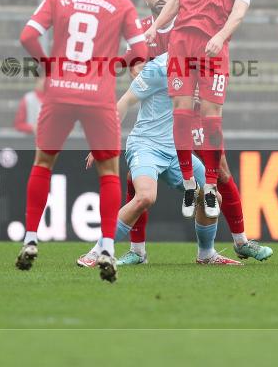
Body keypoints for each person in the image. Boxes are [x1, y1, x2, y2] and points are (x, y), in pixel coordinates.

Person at [16, 0, 148, 283]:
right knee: (109, 172)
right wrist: (115, 65)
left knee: (43, 163)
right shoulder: (121, 3)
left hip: (59, 92)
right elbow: (141, 49)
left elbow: (28, 36)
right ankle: (106, 246)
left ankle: (30, 239)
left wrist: (49, 66)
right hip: (97, 95)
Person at [77, 53, 250, 268]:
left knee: (212, 197)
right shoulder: (158, 68)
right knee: (146, 197)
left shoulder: (205, 67)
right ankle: (98, 251)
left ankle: (206, 254)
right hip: (146, 145)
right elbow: (123, 103)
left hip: (177, 150)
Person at [144, 0, 258, 220]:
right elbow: (177, 0)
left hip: (213, 48)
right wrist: (156, 27)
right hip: (182, 42)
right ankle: (188, 183)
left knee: (211, 119)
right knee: (181, 113)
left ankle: (209, 186)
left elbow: (239, 13)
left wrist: (220, 37)